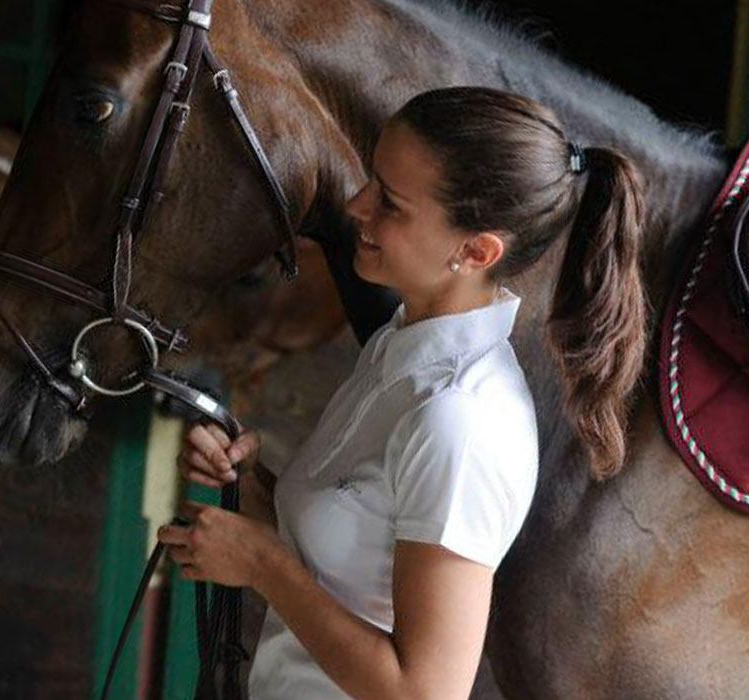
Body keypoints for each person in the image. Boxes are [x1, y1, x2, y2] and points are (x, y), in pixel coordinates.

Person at [156, 86, 649, 699]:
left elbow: (426, 691)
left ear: (476, 251)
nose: (357, 206)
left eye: (390, 201)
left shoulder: (459, 420)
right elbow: (353, 563)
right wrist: (249, 486)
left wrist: (263, 566)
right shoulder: (399, 347)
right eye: (372, 180)